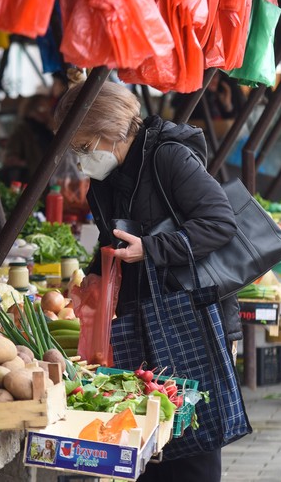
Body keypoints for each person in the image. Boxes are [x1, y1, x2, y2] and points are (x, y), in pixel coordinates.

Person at [54, 82, 248, 482]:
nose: (81, 160)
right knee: (147, 438)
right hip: (138, 320)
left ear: (110, 131)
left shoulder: (168, 158)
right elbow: (114, 239)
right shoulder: (106, 181)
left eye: (85, 147)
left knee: (191, 438)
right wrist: (94, 273)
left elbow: (220, 223)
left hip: (190, 316)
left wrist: (152, 249)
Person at [3, 94, 56, 182]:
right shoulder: (22, 130)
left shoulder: (48, 128)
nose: (46, 112)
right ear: (30, 111)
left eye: (47, 107)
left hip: (52, 178)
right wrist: (28, 164)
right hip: (34, 180)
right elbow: (10, 157)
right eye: (41, 108)